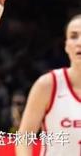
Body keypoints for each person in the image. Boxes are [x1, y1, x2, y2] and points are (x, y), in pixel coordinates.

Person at [16, 13, 81, 156]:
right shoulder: (48, 85)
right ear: (66, 46)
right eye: (74, 36)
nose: (79, 42)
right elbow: (24, 137)